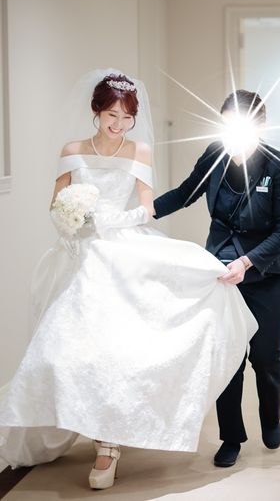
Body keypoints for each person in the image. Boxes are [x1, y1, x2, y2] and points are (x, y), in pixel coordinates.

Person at [0, 70, 258, 490]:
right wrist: (73, 223)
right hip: (80, 255)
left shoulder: (139, 151)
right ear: (96, 111)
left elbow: (146, 209)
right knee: (66, 352)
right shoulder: (72, 151)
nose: (118, 124)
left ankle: (108, 445)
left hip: (121, 250)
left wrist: (107, 221)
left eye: (126, 117)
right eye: (111, 115)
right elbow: (56, 206)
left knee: (119, 349)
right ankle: (82, 422)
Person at [154, 89, 280, 468]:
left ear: (261, 126)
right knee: (227, 356)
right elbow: (184, 194)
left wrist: (248, 262)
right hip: (220, 272)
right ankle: (231, 436)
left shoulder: (279, 166)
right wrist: (140, 214)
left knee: (266, 356)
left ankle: (271, 418)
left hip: (267, 272)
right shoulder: (214, 156)